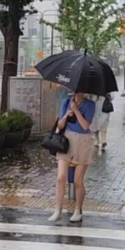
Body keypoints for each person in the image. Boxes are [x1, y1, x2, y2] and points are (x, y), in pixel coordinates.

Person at [49, 92, 96, 223]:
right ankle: (58, 209)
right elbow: (60, 125)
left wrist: (76, 110)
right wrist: (66, 114)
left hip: (83, 141)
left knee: (77, 181)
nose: (77, 92)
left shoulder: (90, 104)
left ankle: (78, 209)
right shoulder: (66, 102)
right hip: (66, 140)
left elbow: (86, 126)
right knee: (60, 177)